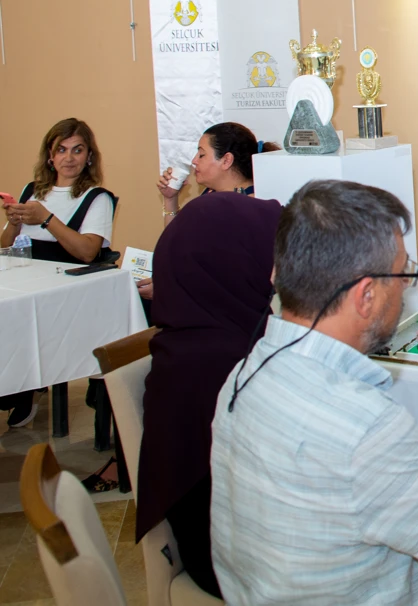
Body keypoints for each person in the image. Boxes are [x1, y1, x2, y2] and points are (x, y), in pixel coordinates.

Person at [209, 180, 418, 605]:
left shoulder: (243, 376)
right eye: (404, 274)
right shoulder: (363, 428)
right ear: (367, 295)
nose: (406, 289)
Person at [134, 192, 282, 598]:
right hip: (239, 562)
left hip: (242, 540)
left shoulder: (195, 336)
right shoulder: (226, 364)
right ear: (234, 263)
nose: (279, 270)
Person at [0, 118, 116, 428]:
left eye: (77, 150)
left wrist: (46, 218)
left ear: (89, 156)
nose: (69, 158)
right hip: (29, 288)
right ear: (50, 157)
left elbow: (87, 252)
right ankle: (17, 381)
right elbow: (5, 246)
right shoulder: (32, 190)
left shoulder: (97, 197)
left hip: (72, 297)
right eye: (61, 150)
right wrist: (14, 221)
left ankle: (27, 383)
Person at [140, 122, 277, 303]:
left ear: (226, 160)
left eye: (202, 154)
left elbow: (223, 270)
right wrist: (170, 199)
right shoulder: (210, 195)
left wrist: (171, 287)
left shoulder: (252, 204)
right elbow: (177, 242)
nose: (194, 161)